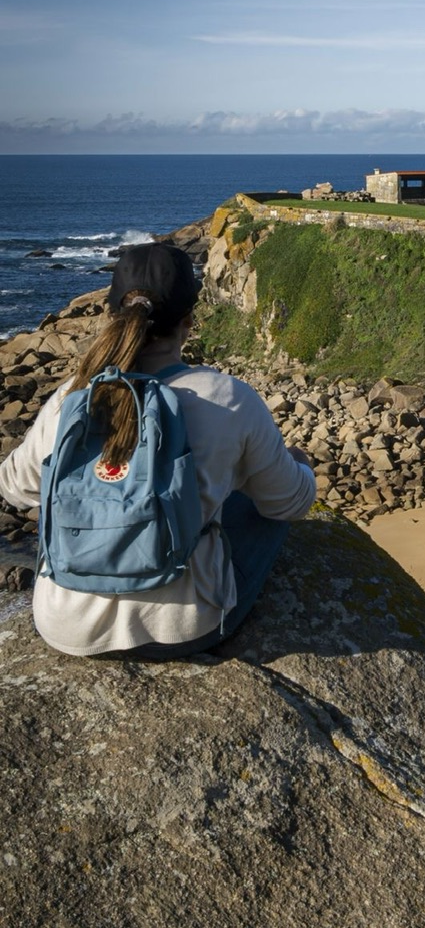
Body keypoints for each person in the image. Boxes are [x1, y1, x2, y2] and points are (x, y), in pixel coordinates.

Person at [0, 242, 315, 659]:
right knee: (258, 505)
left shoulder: (71, 396)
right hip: (185, 626)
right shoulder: (228, 398)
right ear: (189, 321)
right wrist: (300, 469)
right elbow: (287, 505)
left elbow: (14, 487)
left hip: (66, 627)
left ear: (112, 314)